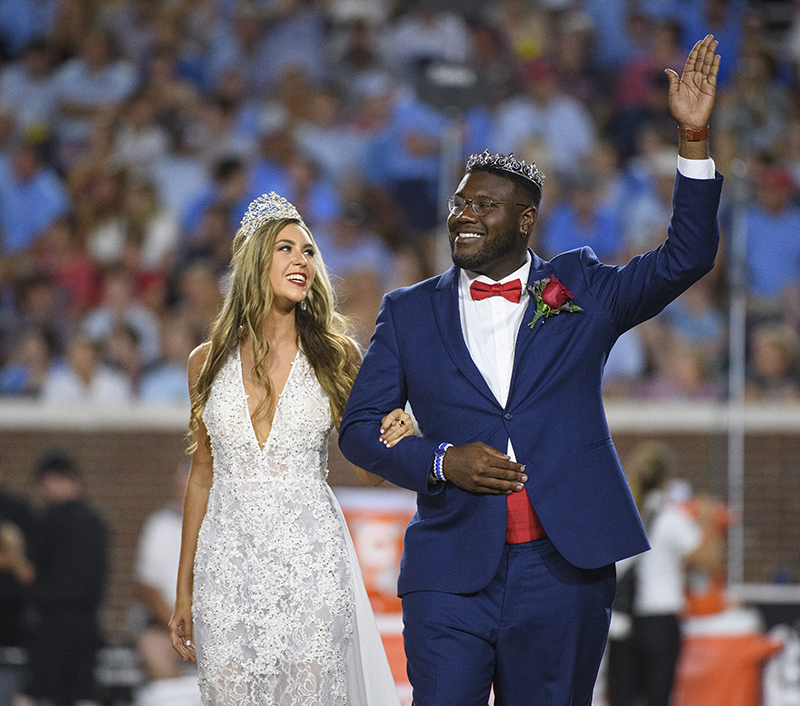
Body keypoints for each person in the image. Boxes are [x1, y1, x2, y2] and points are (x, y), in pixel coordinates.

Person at [338, 35, 723, 705]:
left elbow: (686, 256)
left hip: (564, 566)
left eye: (483, 206)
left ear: (525, 220)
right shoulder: (407, 312)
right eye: (459, 203)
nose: (463, 216)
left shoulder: (579, 287)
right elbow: (359, 428)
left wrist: (691, 137)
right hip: (450, 569)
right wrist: (438, 462)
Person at [168, 192, 409, 705]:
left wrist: (394, 436)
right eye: (286, 248)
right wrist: (184, 587)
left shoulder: (337, 354)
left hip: (312, 560)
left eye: (308, 252)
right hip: (226, 564)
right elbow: (202, 474)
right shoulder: (204, 363)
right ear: (256, 259)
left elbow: (370, 471)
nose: (302, 260)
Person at [606, 442, 719, 706]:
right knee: (658, 697)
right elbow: (711, 562)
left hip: (622, 621)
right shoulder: (672, 517)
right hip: (660, 622)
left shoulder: (620, 511)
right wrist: (706, 518)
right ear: (666, 479)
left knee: (621, 698)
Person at [17, 448, 109, 706]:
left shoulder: (49, 521)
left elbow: (30, 573)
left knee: (35, 695)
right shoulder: (96, 521)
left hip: (52, 623)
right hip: (86, 623)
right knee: (84, 694)